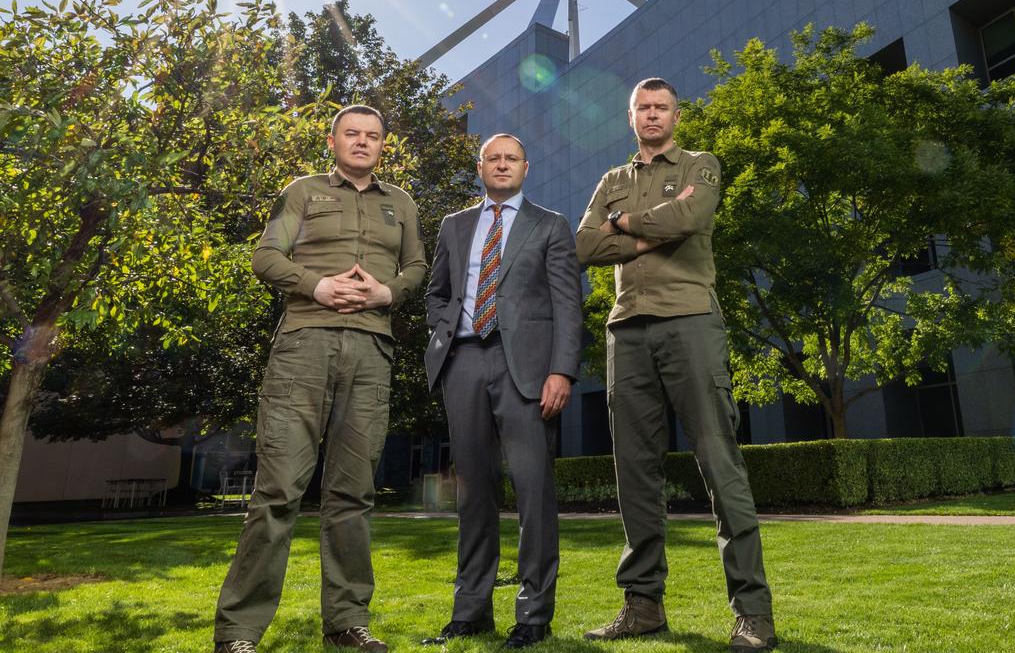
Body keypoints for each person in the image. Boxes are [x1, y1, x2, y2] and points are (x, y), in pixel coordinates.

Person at [213, 104, 426, 653]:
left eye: (372, 136)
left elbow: (417, 269)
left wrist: (387, 293)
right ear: (333, 141)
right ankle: (239, 631)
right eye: (352, 134)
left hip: (372, 347)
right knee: (280, 488)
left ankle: (347, 624)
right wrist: (317, 285)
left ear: (383, 145)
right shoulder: (303, 192)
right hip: (305, 343)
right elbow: (265, 257)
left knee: (353, 493)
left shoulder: (401, 203)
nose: (362, 142)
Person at [575, 78, 776, 652]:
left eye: (662, 106)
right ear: (630, 116)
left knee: (719, 460)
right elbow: (586, 248)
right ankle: (642, 606)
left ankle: (753, 614)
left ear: (676, 115)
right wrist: (641, 230)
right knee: (634, 471)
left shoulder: (700, 165)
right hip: (626, 331)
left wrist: (622, 227)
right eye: (643, 107)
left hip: (689, 320)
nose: (653, 114)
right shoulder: (612, 181)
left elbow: (689, 220)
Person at [422, 133, 582, 649]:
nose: (502, 165)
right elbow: (438, 292)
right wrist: (444, 336)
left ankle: (533, 616)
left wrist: (562, 371)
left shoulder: (550, 225)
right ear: (480, 167)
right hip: (463, 363)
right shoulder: (454, 225)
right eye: (493, 158)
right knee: (473, 494)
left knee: (533, 493)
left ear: (526, 167)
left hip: (529, 374)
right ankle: (471, 612)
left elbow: (567, 304)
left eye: (511, 158)